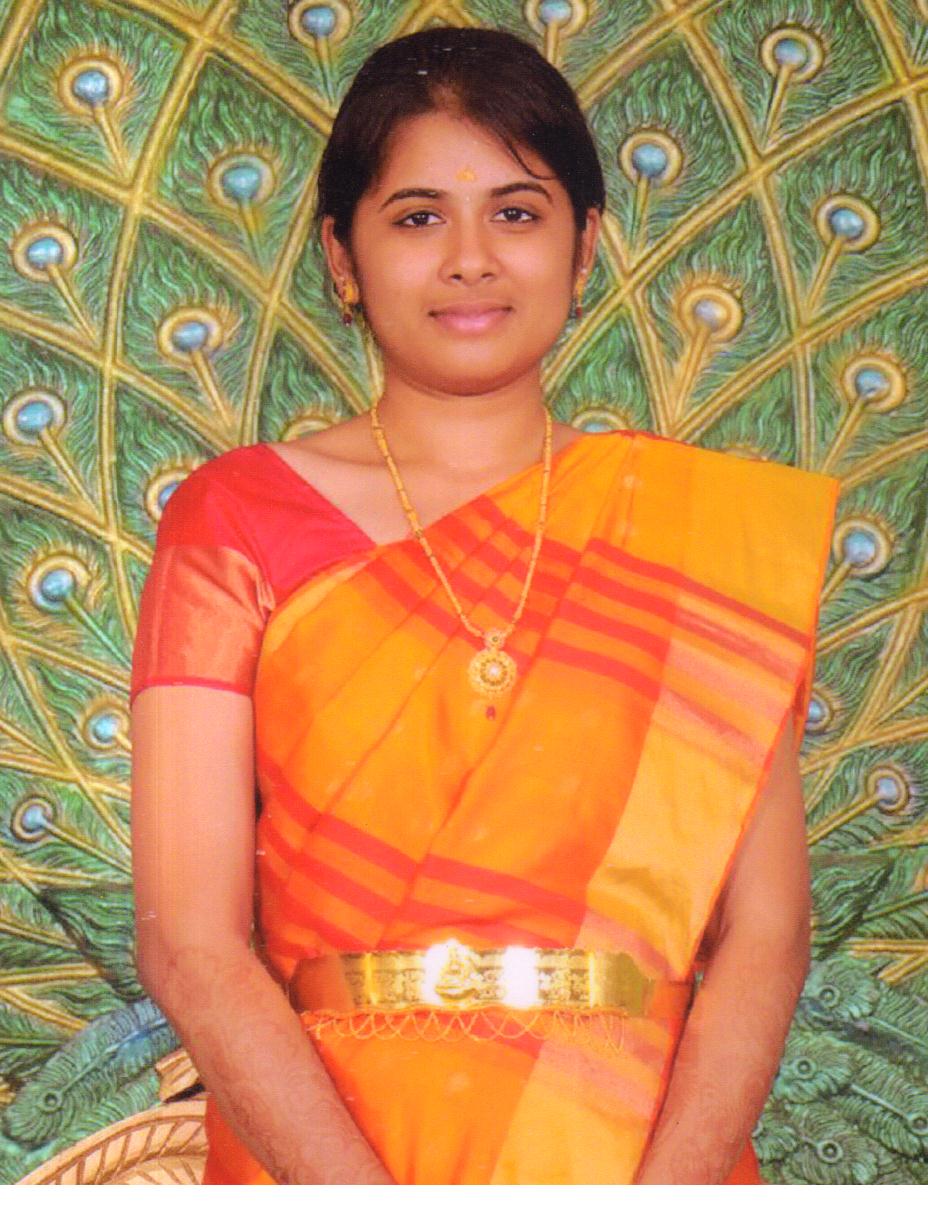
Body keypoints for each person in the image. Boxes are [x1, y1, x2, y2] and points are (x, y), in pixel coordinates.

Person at [130, 27, 840, 1184]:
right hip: (321, 1159)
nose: (470, 260)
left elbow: (767, 931)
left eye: (516, 212)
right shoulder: (233, 521)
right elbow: (191, 944)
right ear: (342, 255)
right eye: (417, 218)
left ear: (585, 244)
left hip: (643, 1152)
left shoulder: (697, 540)